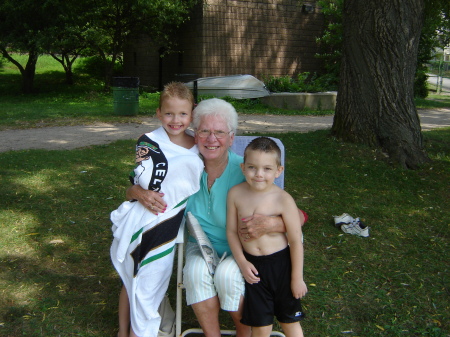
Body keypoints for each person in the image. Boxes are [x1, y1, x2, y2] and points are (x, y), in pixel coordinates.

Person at [128, 98, 307, 337]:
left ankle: (245, 333)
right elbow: (135, 185)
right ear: (195, 134)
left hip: (241, 251)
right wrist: (138, 192)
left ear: (231, 138)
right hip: (199, 246)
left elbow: (299, 215)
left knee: (227, 275)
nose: (212, 139)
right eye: (204, 131)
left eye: (220, 132)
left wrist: (273, 223)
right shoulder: (182, 166)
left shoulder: (248, 170)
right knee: (194, 272)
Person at [110, 82, 204, 337]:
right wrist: (138, 194)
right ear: (158, 112)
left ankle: (139, 331)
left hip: (170, 221)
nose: (176, 120)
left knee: (148, 281)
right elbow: (136, 183)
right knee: (133, 277)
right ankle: (123, 331)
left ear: (192, 114)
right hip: (143, 218)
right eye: (169, 113)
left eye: (183, 114)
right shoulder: (148, 141)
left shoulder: (200, 143)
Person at [226, 137, 307, 337]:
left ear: (279, 171)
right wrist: (242, 262)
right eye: (252, 167)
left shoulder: (283, 199)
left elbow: (296, 240)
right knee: (260, 325)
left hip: (282, 266)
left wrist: (297, 278)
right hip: (253, 268)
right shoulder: (235, 194)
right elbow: (231, 231)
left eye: (267, 169)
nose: (259, 174)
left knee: (289, 320)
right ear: (243, 167)